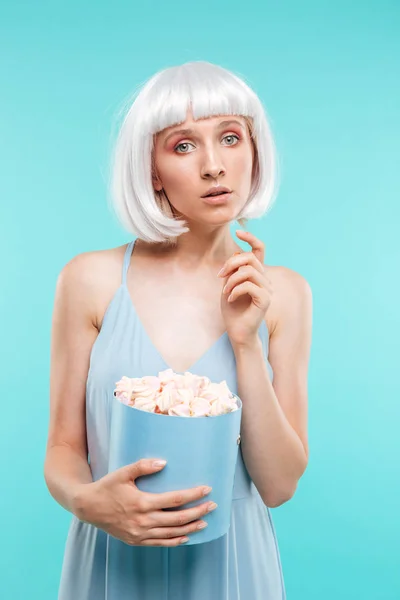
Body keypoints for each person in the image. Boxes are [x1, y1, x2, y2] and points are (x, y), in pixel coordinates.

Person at [44, 60, 312, 600]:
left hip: (233, 564)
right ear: (151, 170)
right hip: (113, 558)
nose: (215, 166)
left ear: (255, 152)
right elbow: (63, 446)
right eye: (184, 145)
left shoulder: (284, 294)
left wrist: (243, 343)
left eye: (231, 138)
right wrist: (87, 501)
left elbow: (280, 485)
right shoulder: (89, 280)